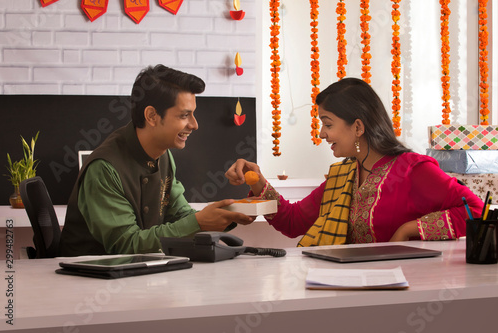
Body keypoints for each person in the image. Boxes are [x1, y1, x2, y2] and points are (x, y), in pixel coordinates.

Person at [225, 77, 483, 246]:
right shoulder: (344, 176)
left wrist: (408, 229)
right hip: (348, 288)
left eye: (328, 124)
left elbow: (476, 211)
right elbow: (293, 222)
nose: (322, 134)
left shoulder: (412, 169)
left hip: (403, 290)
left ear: (357, 126)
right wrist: (258, 182)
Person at [60, 65, 255, 256]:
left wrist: (228, 213)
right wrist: (199, 223)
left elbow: (180, 215)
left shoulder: (163, 156)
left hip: (136, 275)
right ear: (152, 116)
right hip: (89, 280)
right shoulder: (103, 169)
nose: (194, 125)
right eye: (184, 115)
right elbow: (126, 244)